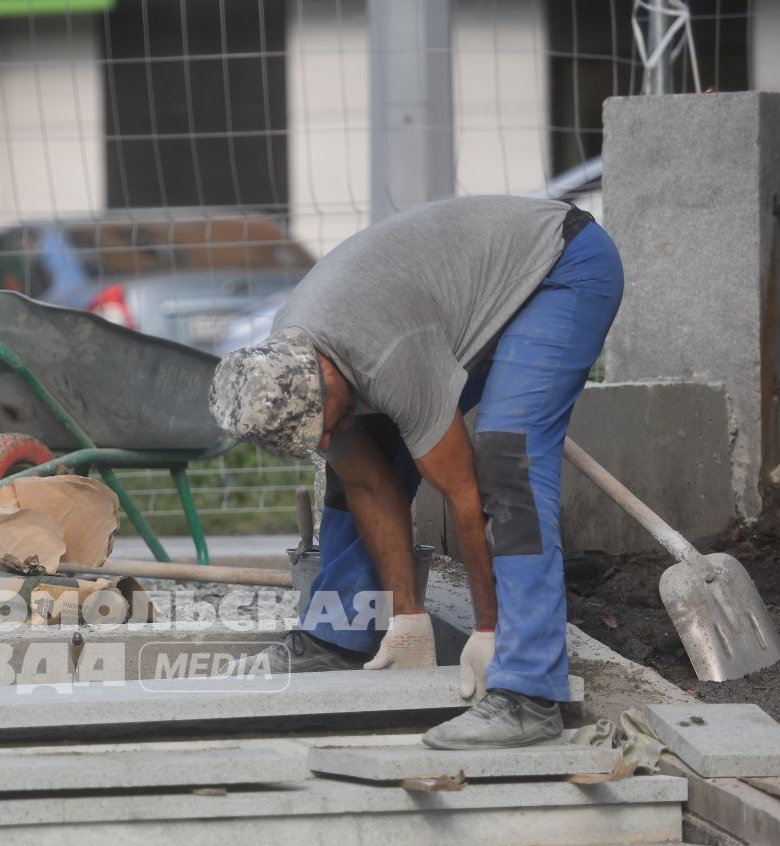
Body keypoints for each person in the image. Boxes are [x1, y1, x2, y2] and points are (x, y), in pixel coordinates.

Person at [209, 194, 624, 749]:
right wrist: (408, 620)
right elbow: (367, 482)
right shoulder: (291, 362)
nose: (326, 440)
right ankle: (338, 636)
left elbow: (464, 495)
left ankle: (529, 691)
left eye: (321, 423)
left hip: (559, 267)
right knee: (356, 463)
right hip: (449, 303)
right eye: (312, 434)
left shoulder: (387, 356)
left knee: (507, 456)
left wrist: (486, 628)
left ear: (324, 379)